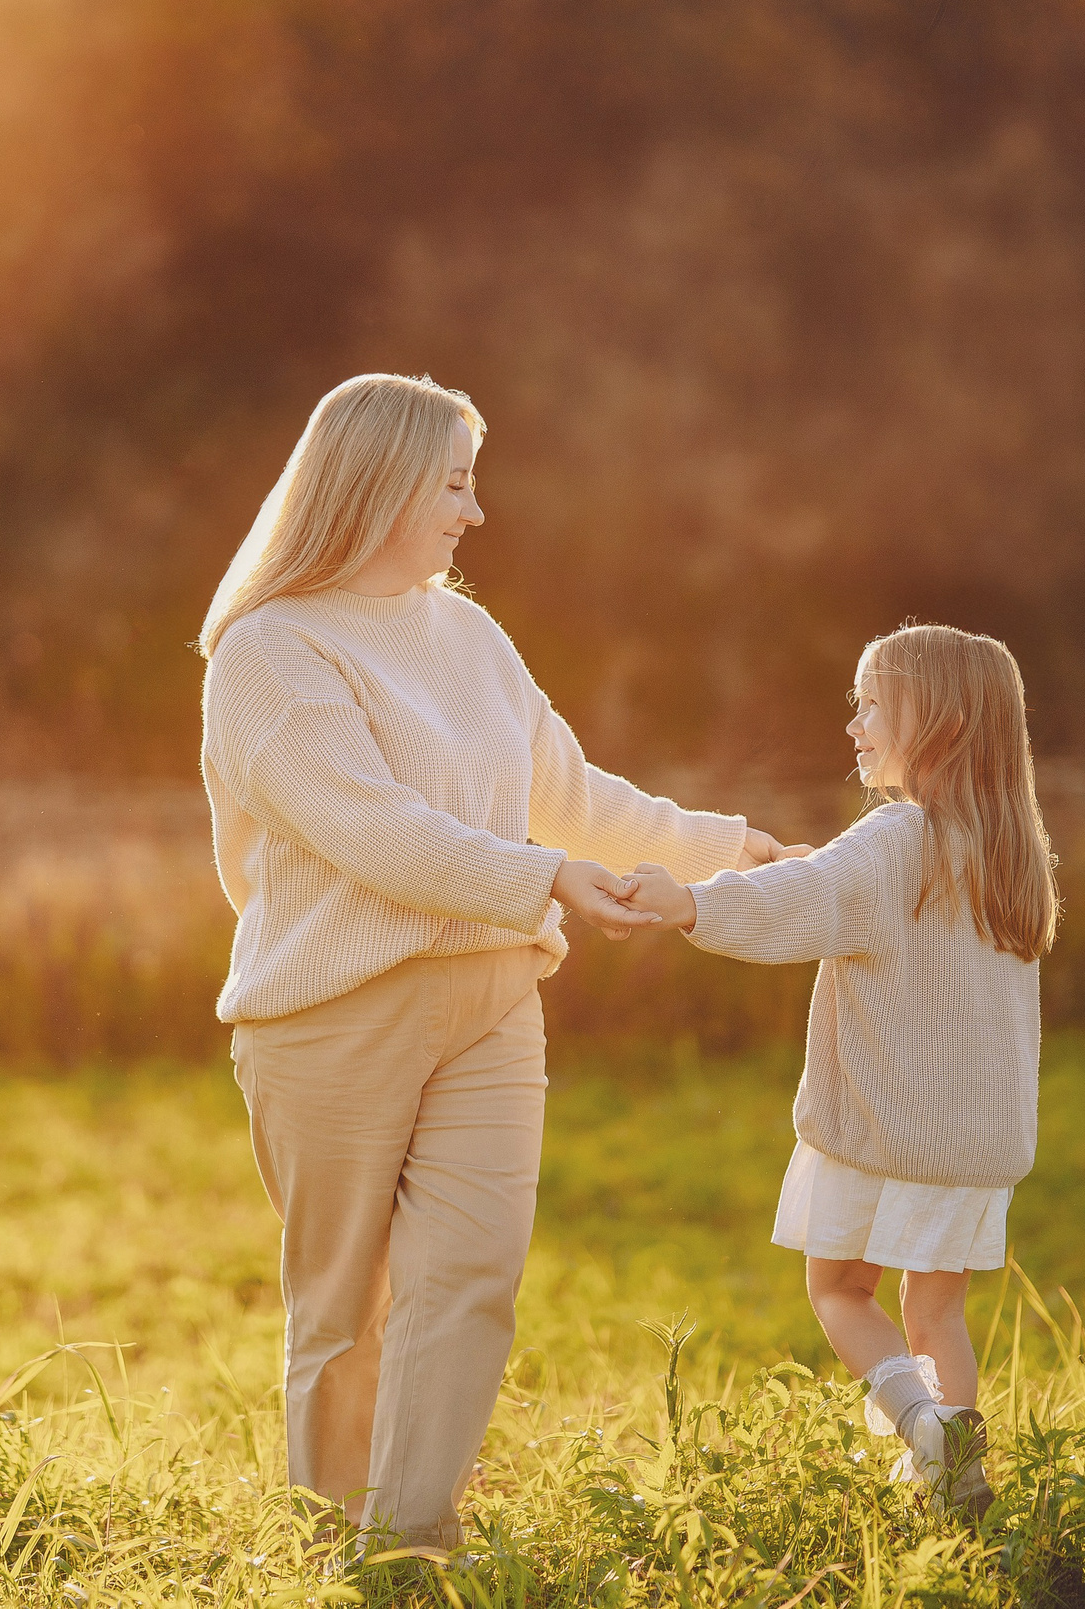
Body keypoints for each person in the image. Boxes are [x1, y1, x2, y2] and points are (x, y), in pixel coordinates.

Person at [198, 372, 793, 1550]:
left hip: (492, 999)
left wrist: (735, 848)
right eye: (455, 484)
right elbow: (371, 830)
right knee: (344, 1307)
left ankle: (411, 1545)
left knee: (468, 1280)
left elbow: (568, 795)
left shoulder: (466, 632)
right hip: (330, 1018)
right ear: (376, 486)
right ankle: (336, 1544)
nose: (475, 512)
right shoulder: (266, 653)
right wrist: (541, 876)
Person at [624, 622, 1058, 1517]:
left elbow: (810, 902)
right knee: (939, 1316)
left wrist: (689, 904)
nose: (853, 725)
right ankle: (957, 1474)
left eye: (871, 705)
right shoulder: (1013, 856)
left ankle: (925, 1429)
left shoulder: (897, 836)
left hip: (884, 1130)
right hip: (974, 1145)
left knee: (839, 1290)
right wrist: (814, 869)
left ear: (933, 719)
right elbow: (832, 888)